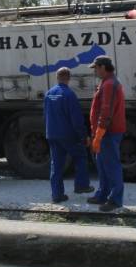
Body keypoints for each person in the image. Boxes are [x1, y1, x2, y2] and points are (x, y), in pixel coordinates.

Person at [44, 67, 94, 203]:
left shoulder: (48, 94)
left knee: (56, 165)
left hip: (52, 135)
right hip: (68, 135)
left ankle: (57, 195)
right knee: (81, 156)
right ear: (68, 78)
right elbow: (76, 120)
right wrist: (84, 136)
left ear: (57, 77)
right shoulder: (69, 95)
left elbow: (46, 115)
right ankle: (81, 185)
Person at [87, 56, 126, 211]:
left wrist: (99, 134)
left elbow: (106, 111)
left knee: (111, 166)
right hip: (105, 133)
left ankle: (115, 200)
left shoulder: (109, 84)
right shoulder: (107, 82)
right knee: (103, 165)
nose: (95, 71)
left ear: (103, 67)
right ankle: (103, 194)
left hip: (108, 133)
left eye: (95, 68)